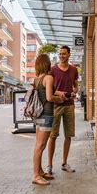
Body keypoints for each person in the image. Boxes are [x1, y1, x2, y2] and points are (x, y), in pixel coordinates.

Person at [45, 45, 79, 175]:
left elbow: (76, 84)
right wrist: (60, 93)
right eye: (60, 54)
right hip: (56, 105)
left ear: (69, 55)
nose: (61, 56)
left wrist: (75, 90)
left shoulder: (74, 70)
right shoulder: (52, 70)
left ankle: (64, 163)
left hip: (69, 105)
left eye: (64, 54)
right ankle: (49, 165)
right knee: (53, 136)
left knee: (68, 135)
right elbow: (50, 89)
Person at [32, 54, 63, 185]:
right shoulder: (49, 77)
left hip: (38, 115)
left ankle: (39, 172)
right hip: (46, 115)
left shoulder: (37, 79)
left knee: (38, 146)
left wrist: (58, 93)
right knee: (40, 146)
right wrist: (59, 99)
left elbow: (44, 93)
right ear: (47, 64)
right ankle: (35, 176)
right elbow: (49, 97)